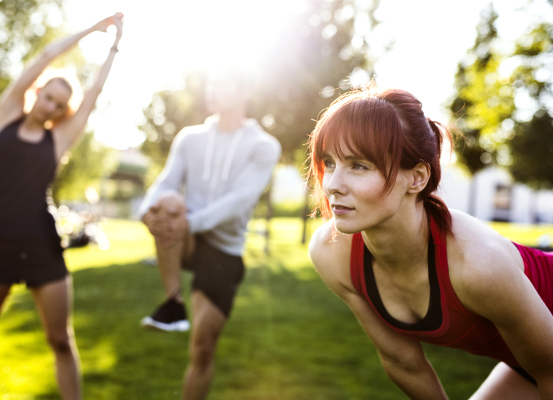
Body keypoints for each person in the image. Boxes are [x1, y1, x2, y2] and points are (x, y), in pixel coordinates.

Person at [307, 86, 553, 400]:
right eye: (329, 163)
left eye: (358, 165)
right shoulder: (331, 252)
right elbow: (403, 361)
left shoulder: (477, 263)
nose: (332, 185)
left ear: (418, 178)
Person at [0, 14, 123, 400]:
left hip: (42, 243)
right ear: (38, 91)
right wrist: (92, 31)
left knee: (61, 340)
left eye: (60, 104)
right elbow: (45, 56)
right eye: (48, 95)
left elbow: (93, 95)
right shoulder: (3, 119)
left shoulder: (58, 139)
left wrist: (114, 48)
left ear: (63, 111)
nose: (50, 106)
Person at [138, 67, 281, 400]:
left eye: (224, 83)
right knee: (166, 203)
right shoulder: (190, 138)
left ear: (245, 91)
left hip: (224, 250)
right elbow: (167, 181)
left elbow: (240, 199)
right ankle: (173, 303)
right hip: (187, 237)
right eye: (212, 83)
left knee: (202, 348)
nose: (214, 90)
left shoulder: (264, 145)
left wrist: (192, 222)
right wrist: (147, 210)